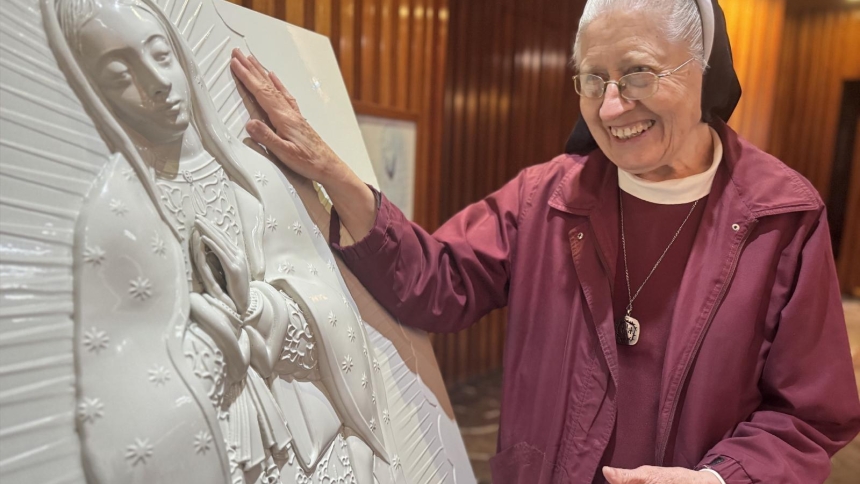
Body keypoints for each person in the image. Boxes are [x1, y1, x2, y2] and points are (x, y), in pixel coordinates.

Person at [231, 0, 860, 482]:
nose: (612, 108)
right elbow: (436, 281)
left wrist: (721, 478)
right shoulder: (548, 198)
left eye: (638, 73)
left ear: (703, 68)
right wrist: (335, 175)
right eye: (592, 79)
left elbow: (808, 415)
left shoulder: (779, 218)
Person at [46, 0, 389, 481]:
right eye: (121, 73)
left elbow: (331, 315)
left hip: (315, 445)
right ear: (94, 90)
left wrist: (259, 311)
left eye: (161, 56)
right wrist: (208, 344)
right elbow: (125, 387)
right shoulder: (119, 211)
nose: (158, 84)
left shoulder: (253, 178)